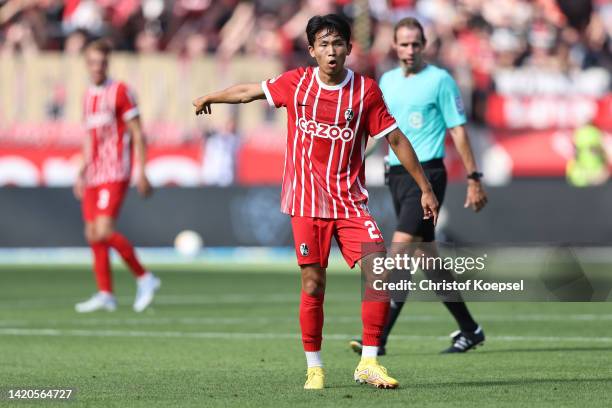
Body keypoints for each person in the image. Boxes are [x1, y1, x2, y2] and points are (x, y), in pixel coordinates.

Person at [192, 14, 438, 390]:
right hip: (306, 202)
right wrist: (211, 95)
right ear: (311, 50)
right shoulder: (297, 83)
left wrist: (425, 186)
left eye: (338, 43)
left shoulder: (365, 91)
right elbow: (250, 92)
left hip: (350, 202)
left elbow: (397, 139)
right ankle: (314, 366)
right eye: (323, 44)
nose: (331, 51)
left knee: (379, 270)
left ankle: (369, 362)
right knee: (312, 284)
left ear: (349, 48)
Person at [350, 17, 488, 355]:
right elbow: (382, 132)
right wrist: (351, 162)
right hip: (396, 175)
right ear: (394, 46)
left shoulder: (440, 81)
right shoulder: (387, 80)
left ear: (424, 45)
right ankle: (470, 329)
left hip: (427, 176)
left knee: (397, 257)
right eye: (404, 44)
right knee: (428, 258)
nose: (410, 50)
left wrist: (473, 178)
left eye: (415, 44)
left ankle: (377, 339)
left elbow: (457, 130)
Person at [74, 39, 161, 313]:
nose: (97, 67)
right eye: (92, 62)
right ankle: (106, 294)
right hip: (94, 173)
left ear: (107, 63)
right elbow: (90, 137)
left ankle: (145, 277)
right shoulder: (88, 95)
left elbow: (137, 132)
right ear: (86, 64)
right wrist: (82, 170)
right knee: (92, 234)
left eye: (101, 62)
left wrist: (142, 171)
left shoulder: (121, 91)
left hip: (115, 171)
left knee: (104, 230)